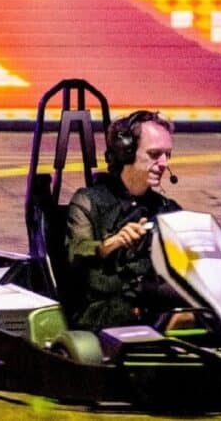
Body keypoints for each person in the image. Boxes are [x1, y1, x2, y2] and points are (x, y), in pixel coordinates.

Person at [65, 109, 182, 330]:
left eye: (167, 155)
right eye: (155, 154)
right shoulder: (88, 201)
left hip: (151, 298)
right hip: (104, 308)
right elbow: (76, 252)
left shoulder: (167, 209)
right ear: (126, 153)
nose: (164, 163)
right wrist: (112, 243)